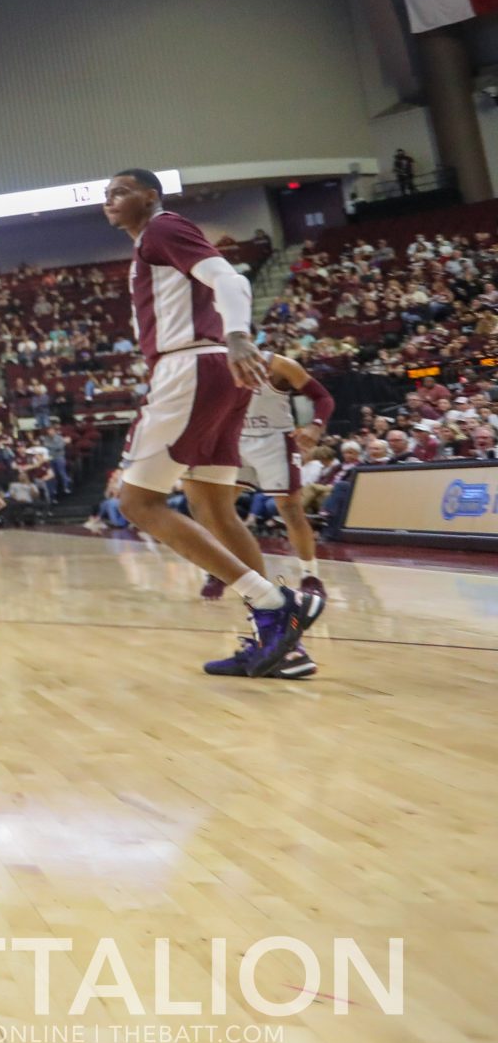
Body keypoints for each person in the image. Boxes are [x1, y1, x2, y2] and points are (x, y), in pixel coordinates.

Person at [100, 170, 324, 678]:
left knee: (137, 503)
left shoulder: (162, 228)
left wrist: (241, 335)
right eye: (106, 194)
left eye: (120, 191)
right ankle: (281, 644)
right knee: (214, 509)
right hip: (216, 372)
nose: (110, 200)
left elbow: (231, 278)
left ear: (150, 196)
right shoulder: (152, 242)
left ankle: (273, 604)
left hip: (191, 367)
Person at [222, 348, 335, 630]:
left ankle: (311, 576)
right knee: (218, 509)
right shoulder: (216, 364)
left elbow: (324, 398)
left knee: (291, 510)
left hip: (274, 441)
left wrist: (316, 427)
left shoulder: (281, 366)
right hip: (237, 439)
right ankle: (223, 566)